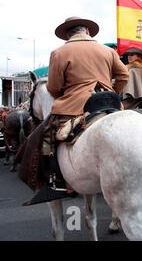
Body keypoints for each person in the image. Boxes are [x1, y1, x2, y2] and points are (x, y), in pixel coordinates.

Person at [32, 16, 129, 203]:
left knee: (47, 136)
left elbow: (53, 88)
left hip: (75, 106)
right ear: (87, 31)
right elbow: (123, 75)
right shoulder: (108, 51)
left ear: (68, 34)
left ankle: (56, 181)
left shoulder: (59, 52)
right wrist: (110, 92)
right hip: (109, 103)